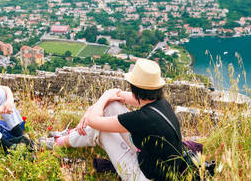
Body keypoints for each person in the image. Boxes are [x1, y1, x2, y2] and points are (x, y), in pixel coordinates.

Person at [43, 58, 185, 180]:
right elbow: (114, 94)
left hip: (144, 177)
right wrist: (102, 100)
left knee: (100, 128)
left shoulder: (141, 119)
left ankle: (61, 142)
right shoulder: (160, 103)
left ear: (135, 88)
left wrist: (92, 110)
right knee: (111, 105)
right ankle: (70, 136)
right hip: (153, 164)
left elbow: (94, 120)